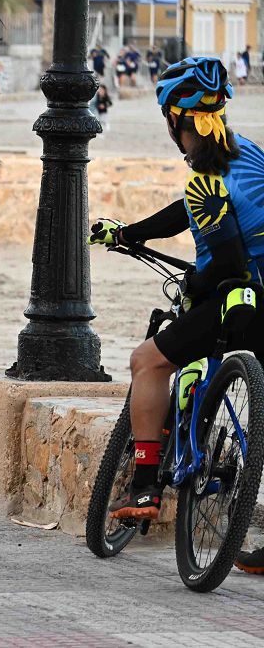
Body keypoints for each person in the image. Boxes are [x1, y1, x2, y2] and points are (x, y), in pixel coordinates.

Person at [87, 58, 264, 542]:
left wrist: (193, 285)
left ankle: (144, 486)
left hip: (242, 300)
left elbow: (226, 260)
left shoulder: (202, 179)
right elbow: (191, 211)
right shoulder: (249, 153)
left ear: (172, 118)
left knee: (148, 362)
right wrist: (129, 232)